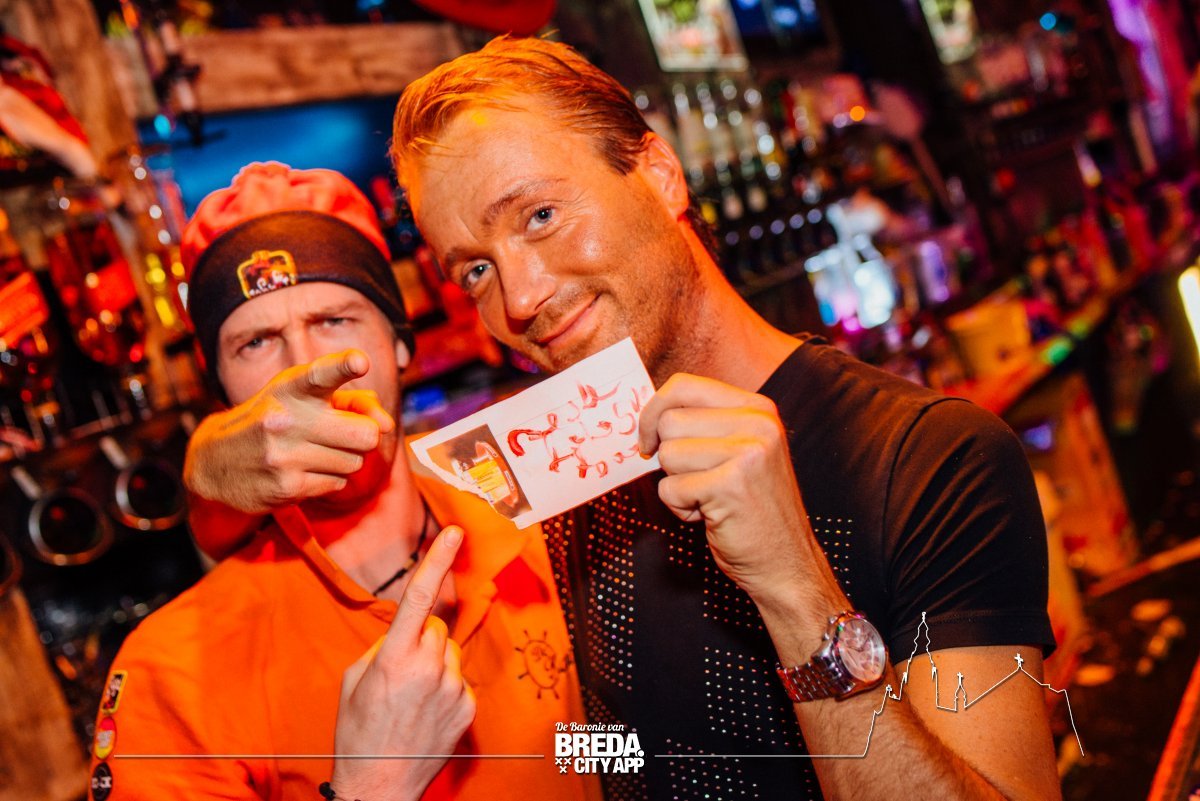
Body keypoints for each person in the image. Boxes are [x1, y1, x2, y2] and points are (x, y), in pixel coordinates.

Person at [186, 40, 1061, 801]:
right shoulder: (561, 471)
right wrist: (206, 462)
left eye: (540, 215)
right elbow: (635, 748)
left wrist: (798, 593)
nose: (519, 297)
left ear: (660, 174)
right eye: (476, 269)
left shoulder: (928, 457)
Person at [87, 163, 598, 801]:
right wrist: (371, 787)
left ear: (400, 344)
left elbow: (618, 755)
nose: (308, 369)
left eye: (334, 320)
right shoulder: (173, 671)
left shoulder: (547, 533)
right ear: (222, 395)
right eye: (256, 343)